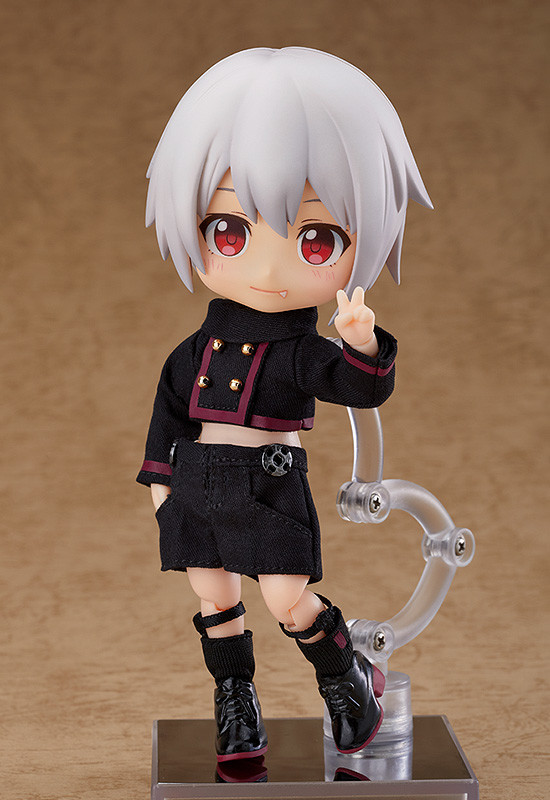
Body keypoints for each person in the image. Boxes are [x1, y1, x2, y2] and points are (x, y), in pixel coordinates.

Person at [137, 47, 432, 761]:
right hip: (198, 484)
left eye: (315, 239)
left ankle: (345, 680)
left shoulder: (301, 351)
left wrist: (362, 345)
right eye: (230, 231)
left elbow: (358, 388)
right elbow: (168, 413)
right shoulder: (194, 350)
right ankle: (235, 704)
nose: (268, 268)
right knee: (213, 596)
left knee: (286, 599)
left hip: (268, 486)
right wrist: (161, 483)